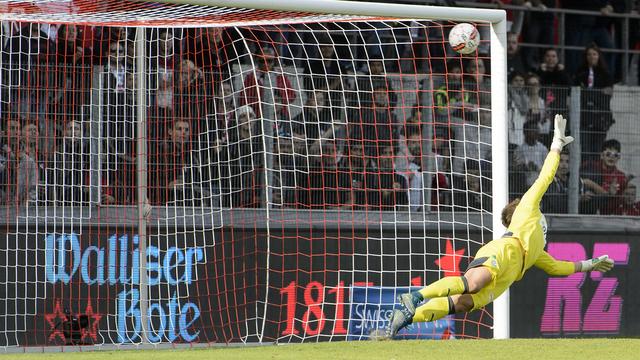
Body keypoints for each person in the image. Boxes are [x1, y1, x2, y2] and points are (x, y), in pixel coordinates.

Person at [384, 114, 615, 339]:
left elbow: (557, 268)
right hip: (503, 252)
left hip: (507, 274)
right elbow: (545, 177)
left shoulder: (534, 252)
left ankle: (403, 319)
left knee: (463, 303)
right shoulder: (528, 208)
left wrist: (589, 264)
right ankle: (415, 297)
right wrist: (555, 145)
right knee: (473, 283)